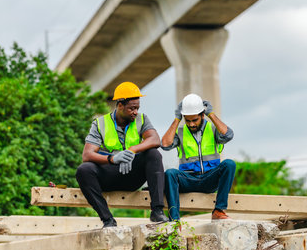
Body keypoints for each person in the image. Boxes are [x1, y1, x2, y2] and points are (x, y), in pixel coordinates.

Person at [76, 82, 168, 228]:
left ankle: (157, 212)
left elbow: (155, 139)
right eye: (132, 108)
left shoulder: (141, 119)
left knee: (153, 154)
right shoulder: (100, 123)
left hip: (132, 176)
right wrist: (112, 159)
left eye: (137, 108)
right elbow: (87, 154)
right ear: (120, 105)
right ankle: (108, 220)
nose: (135, 112)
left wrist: (132, 150)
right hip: (110, 175)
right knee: (84, 170)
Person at [161, 93, 236, 221]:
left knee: (229, 164)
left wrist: (211, 114)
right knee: (170, 173)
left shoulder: (212, 129)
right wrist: (177, 119)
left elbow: (228, 135)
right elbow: (165, 144)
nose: (191, 124)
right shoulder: (180, 132)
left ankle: (218, 211)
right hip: (188, 180)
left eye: (194, 120)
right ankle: (174, 219)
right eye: (188, 120)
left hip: (209, 179)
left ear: (202, 115)